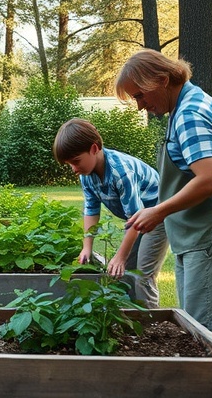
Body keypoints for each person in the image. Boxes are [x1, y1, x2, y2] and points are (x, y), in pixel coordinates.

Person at [115, 48, 212, 351]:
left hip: (211, 235)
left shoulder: (190, 115)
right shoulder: (189, 105)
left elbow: (210, 178)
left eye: (139, 95)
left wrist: (159, 211)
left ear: (162, 80)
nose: (140, 106)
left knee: (207, 327)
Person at [53, 118, 168, 308]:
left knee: (143, 274)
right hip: (136, 220)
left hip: (157, 217)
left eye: (75, 161)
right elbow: (91, 209)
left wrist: (120, 256)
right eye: (69, 164)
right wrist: (87, 247)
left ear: (94, 148)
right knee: (124, 272)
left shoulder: (121, 172)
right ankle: (129, 317)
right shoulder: (87, 175)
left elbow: (135, 217)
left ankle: (149, 322)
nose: (73, 169)